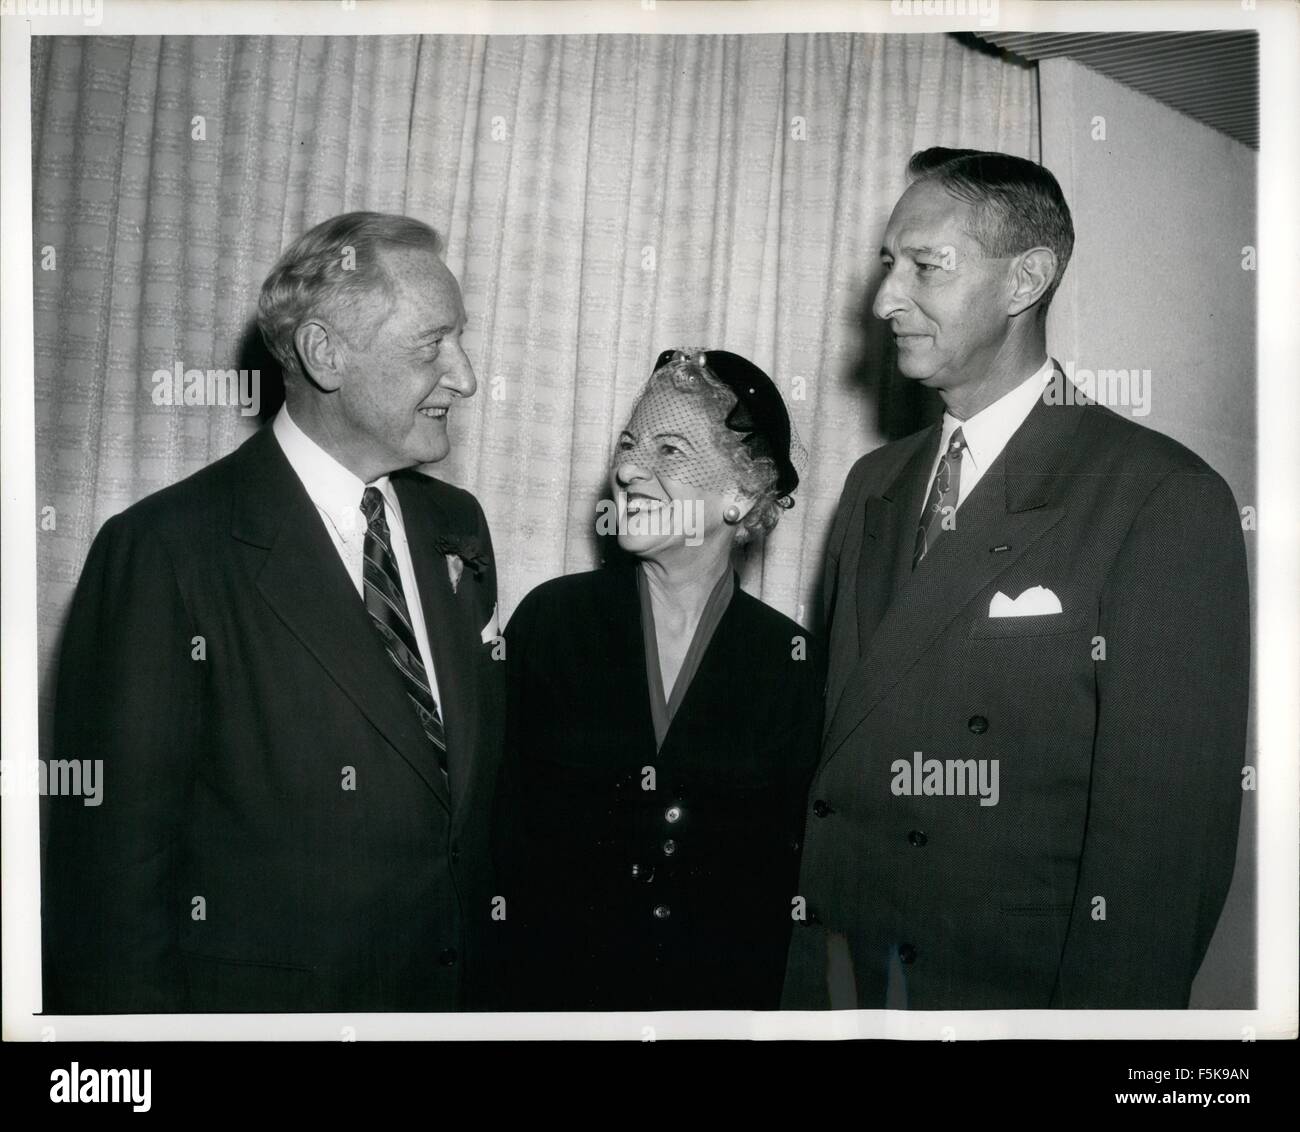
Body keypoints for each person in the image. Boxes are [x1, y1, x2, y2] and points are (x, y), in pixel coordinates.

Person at [784, 148, 1250, 1010]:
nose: (885, 299)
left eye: (926, 265)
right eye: (889, 263)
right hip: (843, 981)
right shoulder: (874, 484)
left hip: (1003, 994)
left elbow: (1160, 862)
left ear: (1026, 279)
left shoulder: (1160, 497)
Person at [43, 212, 504, 1013]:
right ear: (326, 355)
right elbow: (110, 894)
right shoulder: (165, 552)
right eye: (434, 345)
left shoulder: (455, 527)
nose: (464, 377)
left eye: (460, 340)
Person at [494, 349, 822, 1011]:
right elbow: (490, 840)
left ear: (740, 492)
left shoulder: (792, 662)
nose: (626, 469)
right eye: (627, 444)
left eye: (669, 450)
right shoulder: (550, 624)